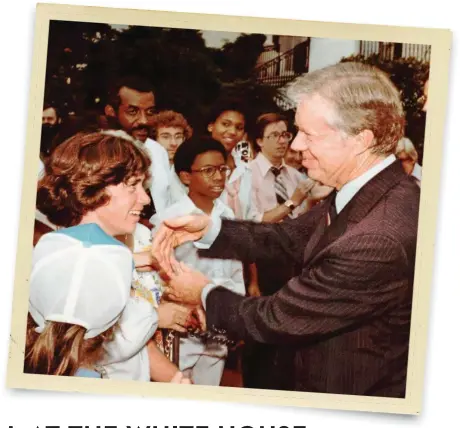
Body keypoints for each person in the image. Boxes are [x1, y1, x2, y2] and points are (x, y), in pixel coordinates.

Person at [152, 62, 420, 396]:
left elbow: (278, 317)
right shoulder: (367, 190)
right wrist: (208, 228)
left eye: (310, 135)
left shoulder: (376, 236)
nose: (295, 146)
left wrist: (202, 292)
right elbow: (286, 237)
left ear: (360, 139)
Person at [29, 131, 190, 383]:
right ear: (93, 187)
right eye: (132, 185)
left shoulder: (109, 250)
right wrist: (157, 316)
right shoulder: (78, 267)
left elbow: (138, 347)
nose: (145, 198)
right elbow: (96, 349)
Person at [152, 136, 245, 385]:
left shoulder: (229, 216)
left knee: (209, 391)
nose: (218, 177)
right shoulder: (168, 219)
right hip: (184, 327)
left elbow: (235, 269)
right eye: (208, 170)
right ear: (185, 177)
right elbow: (156, 274)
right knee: (178, 386)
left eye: (222, 169)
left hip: (218, 326)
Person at [104, 75, 173, 221]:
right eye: (132, 112)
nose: (144, 121)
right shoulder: (98, 154)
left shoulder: (158, 151)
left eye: (150, 112)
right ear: (111, 111)